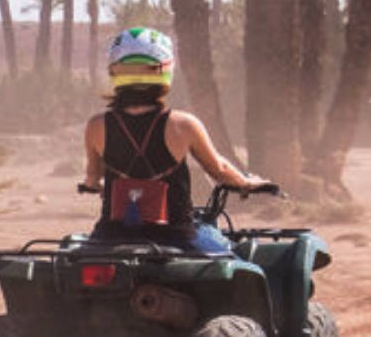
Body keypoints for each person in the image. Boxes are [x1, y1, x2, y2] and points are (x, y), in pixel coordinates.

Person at [83, 27, 267, 251]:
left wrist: (95, 185)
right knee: (237, 254)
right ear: (165, 70)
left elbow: (92, 177)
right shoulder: (183, 124)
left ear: (114, 71)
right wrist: (246, 183)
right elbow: (218, 169)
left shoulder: (96, 126)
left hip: (111, 237)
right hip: (176, 238)